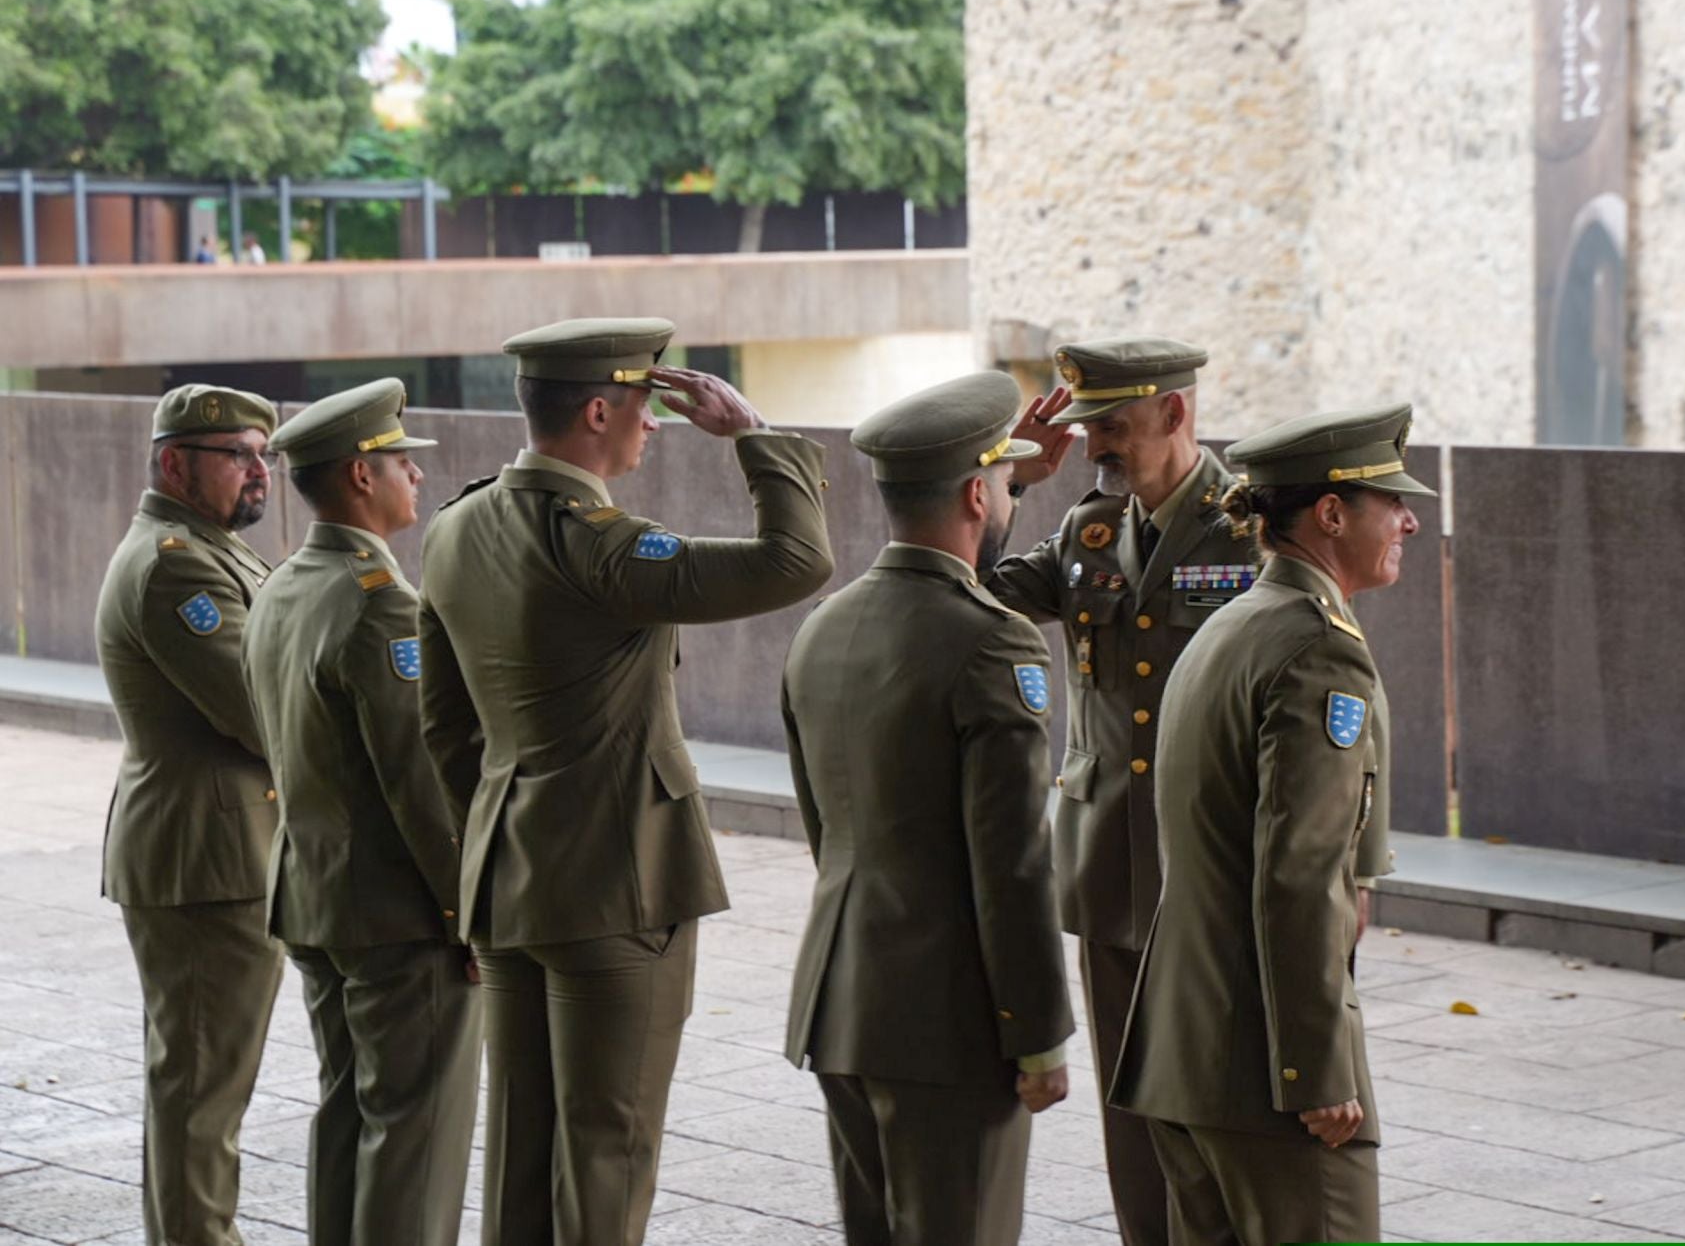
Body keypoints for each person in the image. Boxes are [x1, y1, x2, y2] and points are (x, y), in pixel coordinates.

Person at [417, 316, 834, 1245]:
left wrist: (481, 855)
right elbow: (798, 561)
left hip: (507, 881)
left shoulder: (454, 527)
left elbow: (444, 730)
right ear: (599, 408)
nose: (654, 426)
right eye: (647, 406)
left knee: (521, 1155)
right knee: (609, 1149)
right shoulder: (598, 542)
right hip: (617, 887)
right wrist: (753, 438)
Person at [1108, 403, 1434, 1245]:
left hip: (1184, 1053)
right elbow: (1300, 874)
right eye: (1389, 501)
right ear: (1330, 514)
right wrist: (1314, 1068)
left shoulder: (1229, 626)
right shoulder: (1317, 648)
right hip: (1264, 1070)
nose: (1410, 518)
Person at [984, 337, 1267, 1245]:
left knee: (1222, 1096)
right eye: (1086, 424)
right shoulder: (1088, 530)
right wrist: (1012, 482)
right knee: (1128, 1106)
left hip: (1211, 867)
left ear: (1175, 413)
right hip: (1109, 863)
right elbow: (972, 588)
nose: (1097, 443)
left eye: (1113, 423)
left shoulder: (1252, 528)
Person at [782, 371, 1076, 1246]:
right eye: (1001, 482)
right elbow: (1013, 859)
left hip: (842, 1003)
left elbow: (820, 823)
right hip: (949, 1024)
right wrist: (1038, 1033)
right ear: (979, 492)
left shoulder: (823, 626)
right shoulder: (994, 640)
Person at [240, 379, 479, 1246]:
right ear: (357, 476)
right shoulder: (380, 602)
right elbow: (418, 780)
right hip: (396, 914)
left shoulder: (282, 587)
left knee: (348, 1115)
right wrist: (468, 911)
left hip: (313, 895)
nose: (416, 475)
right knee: (413, 1134)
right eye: (400, 462)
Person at [95, 383, 285, 1246]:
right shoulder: (175, 561)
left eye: (265, 456)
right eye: (239, 455)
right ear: (176, 464)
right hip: (205, 858)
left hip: (219, 849)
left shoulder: (205, 549)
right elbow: (260, 706)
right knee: (202, 1091)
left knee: (199, 1084)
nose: (261, 473)